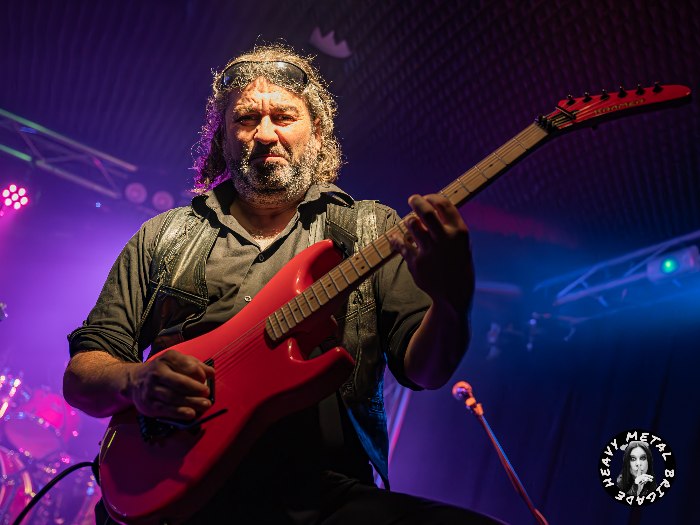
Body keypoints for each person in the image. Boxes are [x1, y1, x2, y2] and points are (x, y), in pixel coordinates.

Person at [63, 43, 505, 525]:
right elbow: (82, 376)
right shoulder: (164, 235)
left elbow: (426, 372)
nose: (265, 133)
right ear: (223, 138)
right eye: (246, 119)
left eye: (284, 117)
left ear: (318, 133)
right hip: (176, 490)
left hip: (321, 496)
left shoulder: (371, 230)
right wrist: (134, 381)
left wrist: (451, 298)